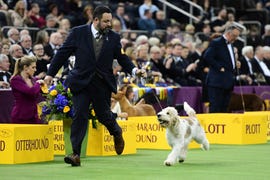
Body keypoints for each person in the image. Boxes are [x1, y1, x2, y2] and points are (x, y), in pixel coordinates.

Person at [44, 5, 145, 167]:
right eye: (106, 21)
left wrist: (134, 70)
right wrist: (50, 74)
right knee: (80, 114)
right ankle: (76, 153)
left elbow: (122, 57)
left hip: (102, 83)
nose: (109, 24)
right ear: (95, 20)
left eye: (110, 21)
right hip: (81, 82)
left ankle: (116, 132)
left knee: (103, 115)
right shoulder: (78, 33)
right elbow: (62, 53)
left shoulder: (113, 37)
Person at [203, 22, 244, 113]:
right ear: (228, 33)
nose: (236, 38)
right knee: (215, 107)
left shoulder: (231, 44)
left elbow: (225, 59)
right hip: (217, 81)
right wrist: (219, 67)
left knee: (225, 107)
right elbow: (207, 56)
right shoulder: (216, 42)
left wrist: (234, 63)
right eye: (234, 36)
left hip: (228, 81)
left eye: (237, 36)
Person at [10, 55, 44, 124]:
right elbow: (31, 92)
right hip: (20, 116)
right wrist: (38, 84)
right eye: (33, 67)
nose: (35, 70)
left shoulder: (34, 80)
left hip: (34, 116)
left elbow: (44, 92)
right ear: (25, 67)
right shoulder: (16, 80)